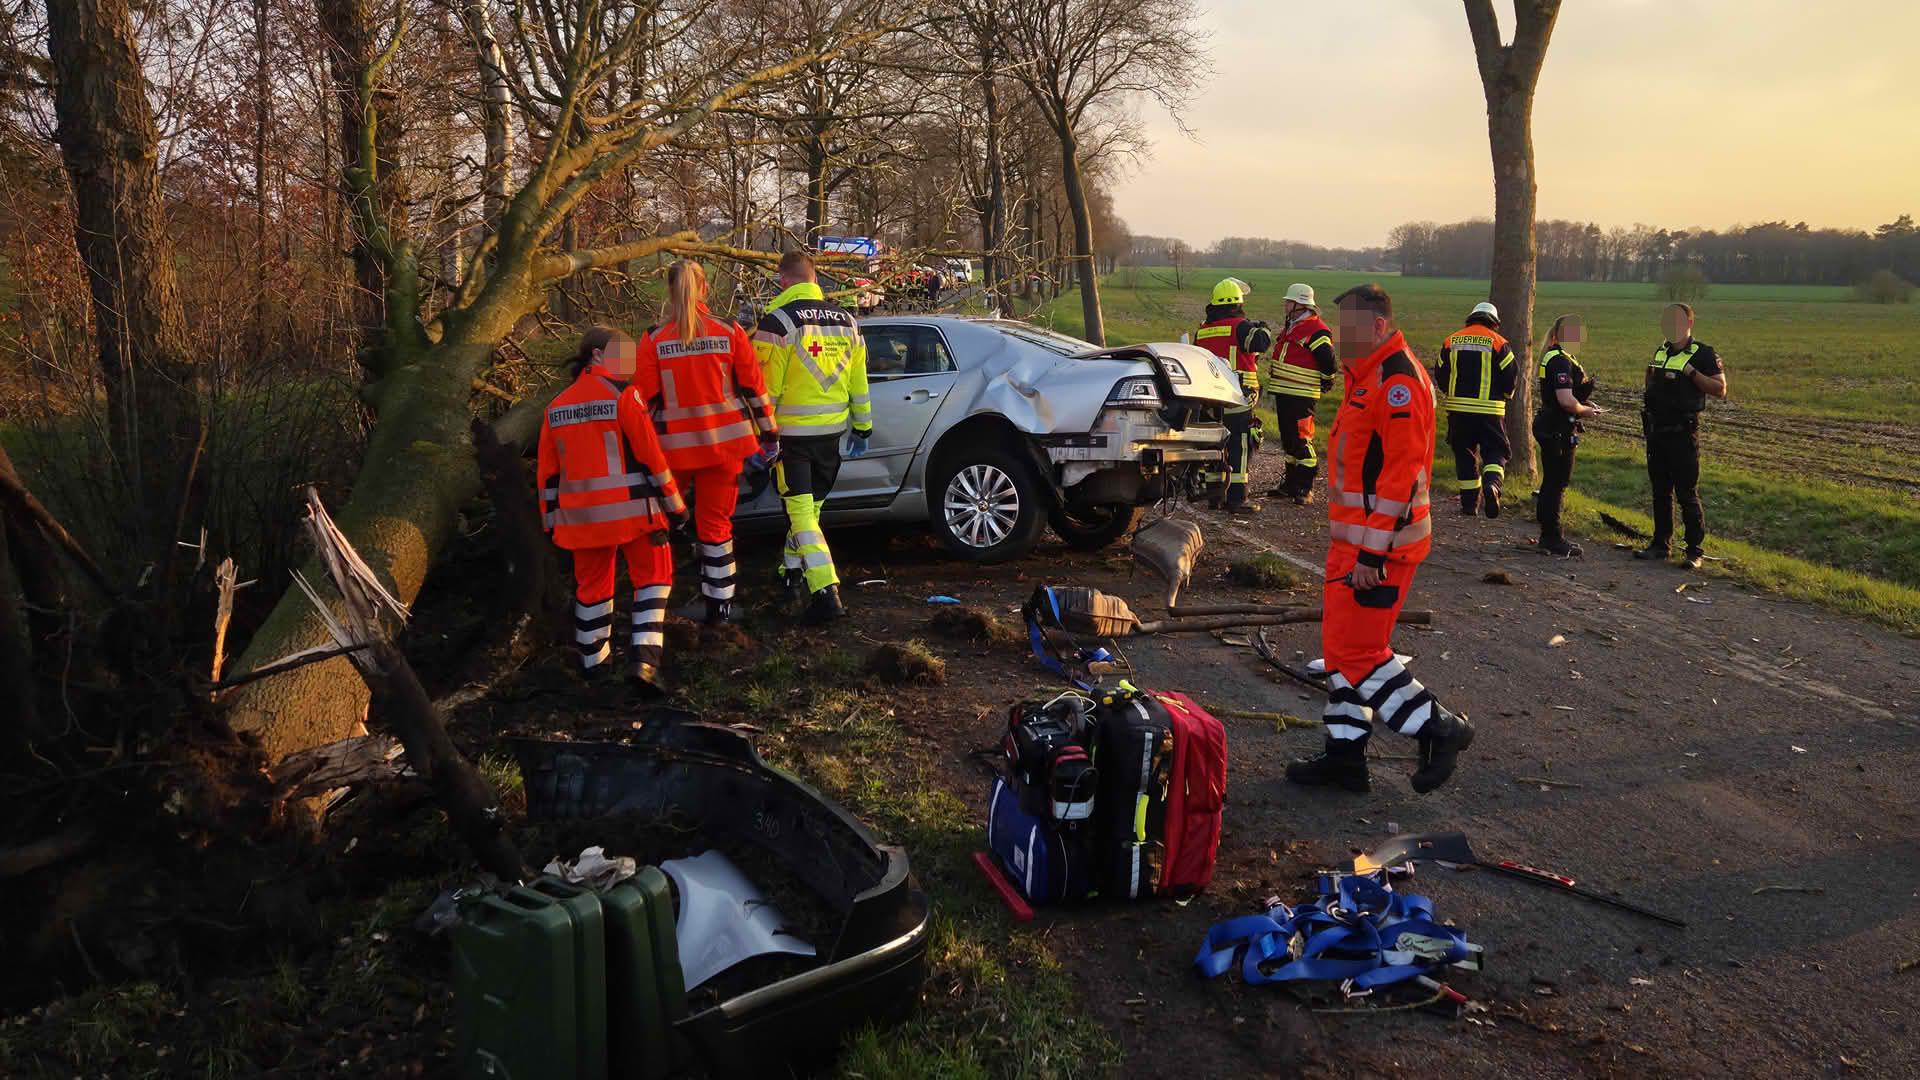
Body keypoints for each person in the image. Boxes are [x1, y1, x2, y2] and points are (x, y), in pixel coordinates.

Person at [1286, 284, 1474, 795]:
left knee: (1359, 653)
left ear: (1375, 327)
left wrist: (1373, 553)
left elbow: (1399, 475)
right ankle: (1344, 759)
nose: (1337, 340)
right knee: (1339, 648)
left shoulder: (1398, 381)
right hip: (1354, 544)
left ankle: (1439, 728)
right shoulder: (1366, 375)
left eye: (1346, 331)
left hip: (1381, 549)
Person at [537, 327, 687, 696]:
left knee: (592, 590)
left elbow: (547, 475)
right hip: (635, 514)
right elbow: (651, 456)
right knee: (654, 579)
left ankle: (594, 668)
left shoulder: (556, 406)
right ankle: (645, 664)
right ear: (597, 356)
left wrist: (551, 524)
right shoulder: (625, 396)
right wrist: (676, 506)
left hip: (581, 520)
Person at [634, 260, 778, 625]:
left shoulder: (653, 340)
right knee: (716, 527)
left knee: (663, 525)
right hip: (725, 448)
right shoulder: (730, 332)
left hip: (673, 453)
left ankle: (654, 611)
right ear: (705, 290)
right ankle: (720, 611)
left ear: (670, 292)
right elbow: (755, 390)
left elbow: (644, 403)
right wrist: (770, 435)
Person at [752, 250, 872, 623]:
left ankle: (825, 591)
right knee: (809, 512)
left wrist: (762, 436)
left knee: (802, 513)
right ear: (815, 279)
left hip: (792, 437)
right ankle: (791, 574)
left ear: (783, 281)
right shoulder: (848, 321)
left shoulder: (776, 323)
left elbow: (765, 391)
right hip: (832, 434)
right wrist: (863, 425)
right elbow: (858, 381)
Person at [1636, 302, 1727, 570]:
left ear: (1689, 324)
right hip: (1657, 432)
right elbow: (1649, 379)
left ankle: (1694, 551)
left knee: (1686, 492)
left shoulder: (1703, 354)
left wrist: (1692, 374)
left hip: (1682, 433)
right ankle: (1660, 545)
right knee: (1660, 492)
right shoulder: (1661, 351)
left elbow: (1720, 389)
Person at [1194, 277, 1273, 513]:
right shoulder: (1240, 326)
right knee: (1239, 445)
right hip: (1237, 396)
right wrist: (1264, 327)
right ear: (1236, 303)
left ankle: (1215, 496)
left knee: (1215, 444)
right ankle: (1237, 498)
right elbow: (1260, 343)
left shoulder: (1203, 330)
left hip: (1209, 397)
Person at [1435, 302, 1518, 516]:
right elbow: (1510, 377)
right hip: (1490, 411)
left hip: (1458, 410)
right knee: (1496, 450)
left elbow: (1441, 373)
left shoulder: (1451, 340)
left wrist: (1450, 392)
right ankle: (1492, 485)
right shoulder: (1500, 343)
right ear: (1494, 323)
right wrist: (1506, 396)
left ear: (1471, 318)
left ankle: (1469, 505)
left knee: (1465, 455)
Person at [1531, 314, 1603, 557]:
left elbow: (1565, 395)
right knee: (1556, 483)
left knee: (1551, 481)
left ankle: (1548, 532)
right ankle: (1552, 538)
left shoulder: (1558, 356)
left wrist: (1584, 403)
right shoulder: (1559, 360)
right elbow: (1565, 399)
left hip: (1552, 426)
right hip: (1557, 429)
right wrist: (1587, 411)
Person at [1263, 282, 1338, 503]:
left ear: (1300, 304)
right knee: (1289, 441)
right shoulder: (1293, 325)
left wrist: (1327, 380)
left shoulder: (1315, 329)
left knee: (1302, 439)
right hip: (1285, 392)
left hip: (1302, 394)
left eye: (1289, 302)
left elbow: (1328, 360)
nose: (1285, 306)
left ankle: (1306, 487)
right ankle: (1290, 484)